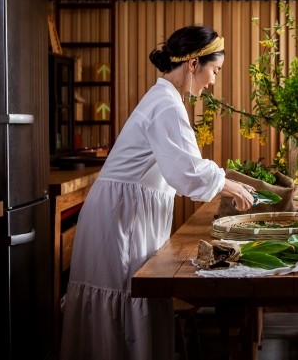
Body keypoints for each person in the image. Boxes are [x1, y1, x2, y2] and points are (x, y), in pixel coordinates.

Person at [60, 25, 255, 360]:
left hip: (124, 214)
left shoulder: (165, 99)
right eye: (214, 71)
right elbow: (186, 172)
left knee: (129, 301)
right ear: (194, 63)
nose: (212, 82)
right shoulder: (166, 104)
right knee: (124, 300)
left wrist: (226, 182)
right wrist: (229, 183)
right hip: (119, 219)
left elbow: (183, 168)